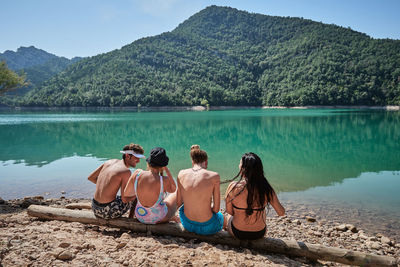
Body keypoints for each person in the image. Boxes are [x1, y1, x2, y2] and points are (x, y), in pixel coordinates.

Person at [224, 152, 285, 240]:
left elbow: (230, 211)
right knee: (262, 210)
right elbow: (281, 212)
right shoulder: (266, 188)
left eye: (240, 163)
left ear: (242, 168)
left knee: (229, 216)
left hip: (237, 232)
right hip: (259, 233)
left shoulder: (234, 186)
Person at [176, 145, 225, 235]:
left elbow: (178, 203)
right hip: (207, 227)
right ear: (205, 162)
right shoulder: (214, 176)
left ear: (192, 160)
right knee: (221, 216)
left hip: (187, 224)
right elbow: (216, 209)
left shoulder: (181, 173)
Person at [88, 143, 145, 219]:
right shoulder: (125, 171)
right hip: (106, 212)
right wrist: (138, 194)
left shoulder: (109, 162)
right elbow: (125, 200)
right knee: (135, 195)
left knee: (124, 195)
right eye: (137, 158)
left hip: (94, 207)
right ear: (128, 156)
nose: (138, 161)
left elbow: (91, 177)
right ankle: (130, 219)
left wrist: (107, 185)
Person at [124, 147, 177, 224]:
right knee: (176, 194)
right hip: (158, 218)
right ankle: (173, 216)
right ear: (163, 165)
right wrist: (167, 170)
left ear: (149, 162)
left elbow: (126, 193)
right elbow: (173, 189)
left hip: (140, 216)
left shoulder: (137, 174)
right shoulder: (163, 180)